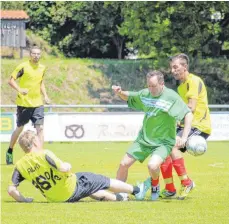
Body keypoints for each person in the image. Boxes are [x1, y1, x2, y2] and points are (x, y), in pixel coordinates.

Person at [139, 54, 212, 200]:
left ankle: (187, 182)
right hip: (186, 125)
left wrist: (167, 108)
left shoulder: (194, 81)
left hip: (199, 126)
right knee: (164, 149)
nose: (172, 70)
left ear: (184, 67)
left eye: (175, 67)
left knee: (172, 147)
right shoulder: (180, 88)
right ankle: (170, 188)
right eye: (171, 67)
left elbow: (190, 108)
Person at [112, 70, 193, 201]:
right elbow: (130, 96)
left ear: (162, 84)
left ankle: (155, 184)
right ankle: (120, 193)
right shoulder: (146, 94)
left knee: (152, 166)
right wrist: (120, 92)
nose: (151, 89)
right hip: (143, 140)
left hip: (163, 143)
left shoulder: (171, 97)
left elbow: (188, 114)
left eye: (153, 86)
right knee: (123, 164)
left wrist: (184, 137)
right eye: (149, 85)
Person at [8, 130, 141, 203]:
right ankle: (136, 190)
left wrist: (25, 200)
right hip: (71, 188)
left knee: (89, 187)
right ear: (35, 141)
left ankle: (119, 198)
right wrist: (68, 164)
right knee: (103, 181)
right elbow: (63, 168)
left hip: (55, 199)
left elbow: (11, 190)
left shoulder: (20, 165)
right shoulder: (44, 154)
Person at [6, 46, 50, 165]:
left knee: (40, 129)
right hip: (24, 103)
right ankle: (10, 151)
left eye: (38, 54)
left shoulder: (42, 68)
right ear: (30, 54)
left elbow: (41, 83)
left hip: (38, 104)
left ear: (40, 55)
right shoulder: (23, 67)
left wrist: (45, 96)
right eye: (34, 53)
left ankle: (40, 155)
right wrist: (19, 89)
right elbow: (10, 81)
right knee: (20, 128)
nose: (36, 56)